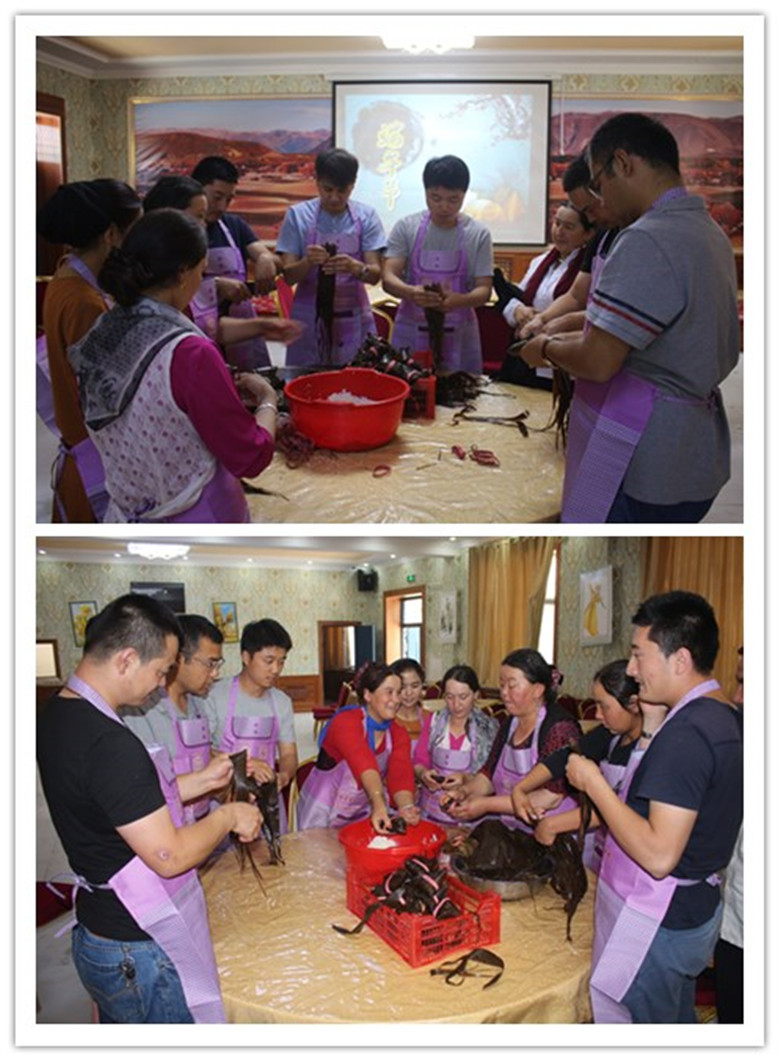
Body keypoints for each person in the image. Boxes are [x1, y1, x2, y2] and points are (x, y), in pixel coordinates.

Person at [36, 593, 261, 1023]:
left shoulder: (58, 715)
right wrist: (229, 815)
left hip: (97, 925)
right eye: (160, 671)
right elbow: (167, 854)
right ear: (126, 660)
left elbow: (119, 804)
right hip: (135, 943)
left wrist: (202, 781)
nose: (161, 684)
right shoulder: (111, 743)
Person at [518, 113, 740, 523]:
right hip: (694, 447)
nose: (600, 203)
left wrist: (545, 349)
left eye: (599, 186)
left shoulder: (647, 237)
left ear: (622, 163)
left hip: (647, 450)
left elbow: (599, 360)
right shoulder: (706, 230)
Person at [564, 591, 743, 1023]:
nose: (631, 669)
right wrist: (651, 729)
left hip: (660, 919)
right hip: (695, 908)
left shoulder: (688, 734)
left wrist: (593, 783)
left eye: (638, 654)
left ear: (679, 660)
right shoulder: (721, 716)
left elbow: (660, 855)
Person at [68, 208, 282, 522]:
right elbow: (249, 457)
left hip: (126, 513)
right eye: (202, 271)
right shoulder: (189, 352)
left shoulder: (101, 332)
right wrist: (267, 400)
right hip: (195, 515)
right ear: (182, 273)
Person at [37, 179, 142, 522]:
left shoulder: (65, 275)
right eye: (134, 230)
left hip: (79, 445)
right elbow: (106, 400)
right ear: (111, 234)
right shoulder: (86, 304)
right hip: (93, 456)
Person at [511, 660, 645, 871]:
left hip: (637, 862)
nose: (597, 715)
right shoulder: (609, 735)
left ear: (634, 704)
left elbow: (619, 806)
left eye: (604, 706)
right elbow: (562, 758)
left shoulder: (650, 751)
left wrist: (552, 824)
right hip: (607, 854)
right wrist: (521, 788)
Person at [143, 174, 302, 352]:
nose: (203, 225)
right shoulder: (160, 281)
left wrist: (263, 326)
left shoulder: (232, 226)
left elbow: (207, 326)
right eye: (198, 216)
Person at [445, 648, 581, 829]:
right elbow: (488, 775)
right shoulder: (510, 723)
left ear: (537, 690)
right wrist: (464, 791)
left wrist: (486, 805)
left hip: (553, 831)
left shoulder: (559, 729)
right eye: (502, 685)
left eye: (511, 686)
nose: (504, 693)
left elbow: (551, 797)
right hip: (516, 829)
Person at [382, 155, 493, 372]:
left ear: (464, 195)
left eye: (453, 200)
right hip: (411, 329)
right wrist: (412, 292)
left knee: (460, 388)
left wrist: (460, 300)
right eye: (436, 198)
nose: (443, 207)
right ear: (425, 192)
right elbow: (388, 277)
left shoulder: (478, 233)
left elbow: (484, 290)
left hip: (459, 332)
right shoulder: (406, 227)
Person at [276, 148, 386, 365]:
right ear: (317, 181)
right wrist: (308, 262)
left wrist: (356, 267)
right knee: (309, 378)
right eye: (327, 189)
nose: (334, 197)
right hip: (309, 316)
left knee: (354, 377)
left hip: (353, 314)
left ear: (353, 185)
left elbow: (374, 275)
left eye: (342, 191)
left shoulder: (367, 217)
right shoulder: (298, 216)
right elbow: (288, 276)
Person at [122, 614, 229, 824]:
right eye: (210, 664)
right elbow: (142, 787)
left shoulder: (198, 704)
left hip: (200, 820)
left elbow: (203, 755)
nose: (215, 674)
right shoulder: (140, 710)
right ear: (178, 659)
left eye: (218, 665)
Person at [197, 618, 298, 831]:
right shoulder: (214, 695)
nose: (276, 669)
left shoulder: (281, 702)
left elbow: (289, 754)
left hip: (266, 801)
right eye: (268, 661)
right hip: (223, 797)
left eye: (281, 661)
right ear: (245, 657)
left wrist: (283, 776)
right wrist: (245, 765)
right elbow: (204, 752)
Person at [296, 662, 420, 833]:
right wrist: (378, 803)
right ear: (368, 694)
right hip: (323, 810)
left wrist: (406, 807)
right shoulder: (346, 722)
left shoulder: (398, 733)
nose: (397, 699)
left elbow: (401, 776)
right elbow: (363, 763)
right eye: (389, 692)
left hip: (361, 811)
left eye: (398, 692)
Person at [517, 154, 621, 342]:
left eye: (590, 209)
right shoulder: (602, 235)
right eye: (557, 223)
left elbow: (613, 316)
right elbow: (575, 296)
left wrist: (555, 331)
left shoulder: (634, 236)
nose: (591, 218)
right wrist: (542, 319)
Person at [190, 155, 281, 369]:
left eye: (229, 199)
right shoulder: (181, 230)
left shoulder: (233, 225)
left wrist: (266, 258)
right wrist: (214, 286)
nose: (222, 206)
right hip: (198, 332)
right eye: (217, 197)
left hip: (241, 333)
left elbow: (270, 257)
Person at [492, 200, 593, 388]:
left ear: (588, 234)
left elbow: (581, 306)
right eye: (557, 223)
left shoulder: (589, 270)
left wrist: (543, 319)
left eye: (569, 227)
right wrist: (518, 311)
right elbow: (519, 298)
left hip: (563, 359)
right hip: (528, 359)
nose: (559, 232)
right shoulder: (540, 262)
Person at [412, 664, 499, 826]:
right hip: (431, 810)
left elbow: (493, 776)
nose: (456, 704)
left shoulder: (489, 729)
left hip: (470, 811)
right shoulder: (434, 722)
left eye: (463, 697)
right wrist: (424, 774)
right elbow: (419, 759)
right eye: (449, 697)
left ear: (476, 695)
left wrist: (466, 779)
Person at [391, 656, 427, 751]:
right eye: (402, 687)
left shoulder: (430, 719)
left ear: (422, 686)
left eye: (415, 686)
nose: (409, 693)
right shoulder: (386, 720)